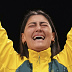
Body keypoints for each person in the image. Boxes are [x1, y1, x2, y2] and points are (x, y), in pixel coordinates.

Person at [0, 10, 72, 72]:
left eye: (44, 25)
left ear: (53, 36)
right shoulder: (9, 62)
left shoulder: (67, 61)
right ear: (23, 37)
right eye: (32, 25)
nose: (38, 28)